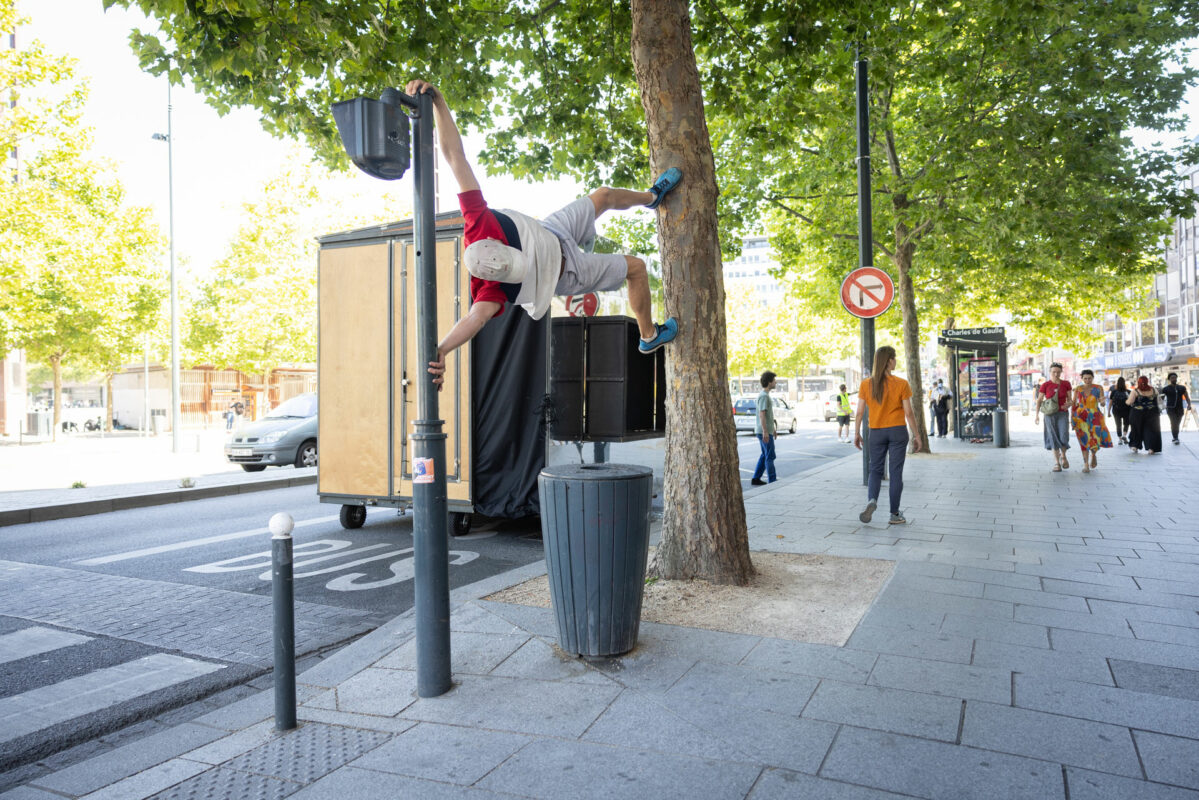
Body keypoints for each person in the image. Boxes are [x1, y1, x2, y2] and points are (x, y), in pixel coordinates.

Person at [404, 80, 682, 389]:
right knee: (636, 268)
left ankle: (651, 197)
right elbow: (474, 319)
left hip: (552, 232)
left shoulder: (478, 219)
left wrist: (440, 102)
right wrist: (443, 349)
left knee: (603, 195)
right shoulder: (488, 289)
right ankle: (648, 336)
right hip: (567, 272)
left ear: (493, 241)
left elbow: (454, 156)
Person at [854, 346, 922, 525]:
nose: (896, 361)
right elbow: (909, 413)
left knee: (875, 470)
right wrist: (917, 435)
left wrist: (856, 433)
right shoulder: (901, 384)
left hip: (876, 432)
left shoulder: (866, 384)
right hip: (897, 431)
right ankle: (894, 514)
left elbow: (859, 412)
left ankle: (872, 500)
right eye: (895, 358)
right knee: (895, 473)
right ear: (889, 361)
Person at [1070, 369, 1112, 473]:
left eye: (1089, 378)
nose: (1087, 380)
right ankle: (1086, 464)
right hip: (1080, 418)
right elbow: (1074, 403)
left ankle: (1093, 454)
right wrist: (1072, 419)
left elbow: (1102, 404)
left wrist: (1102, 402)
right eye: (1085, 378)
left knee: (1095, 439)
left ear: (1093, 378)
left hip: (1095, 417)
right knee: (1083, 440)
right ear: (1082, 378)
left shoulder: (1098, 388)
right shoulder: (1078, 389)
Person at [1034, 362, 1072, 472]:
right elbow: (1039, 400)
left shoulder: (1066, 384)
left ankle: (1063, 456)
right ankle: (1057, 463)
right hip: (1049, 414)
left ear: (1061, 372)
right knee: (1052, 436)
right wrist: (1037, 415)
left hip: (1062, 413)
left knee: (1064, 436)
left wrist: (1068, 404)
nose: (1056, 374)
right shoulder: (1045, 385)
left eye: (1058, 372)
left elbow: (1070, 400)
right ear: (1050, 372)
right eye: (1054, 372)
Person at [751, 371, 778, 486]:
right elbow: (762, 414)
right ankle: (772, 481)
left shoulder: (765, 395)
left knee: (764, 454)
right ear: (769, 382)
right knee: (770, 456)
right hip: (763, 431)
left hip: (766, 430)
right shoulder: (764, 396)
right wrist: (765, 432)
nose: (776, 382)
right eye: (774, 380)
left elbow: (768, 416)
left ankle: (756, 478)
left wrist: (773, 429)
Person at [1127, 375, 1162, 454]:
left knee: (1136, 429)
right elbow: (1158, 400)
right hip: (1152, 413)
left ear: (1138, 382)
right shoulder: (1154, 390)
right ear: (1147, 381)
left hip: (1137, 413)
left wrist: (1126, 401)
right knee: (1151, 430)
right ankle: (1151, 448)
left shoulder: (1135, 391)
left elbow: (1129, 402)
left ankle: (1135, 446)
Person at [1161, 372, 1192, 445]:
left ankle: (1175, 436)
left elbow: (1187, 397)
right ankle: (1175, 437)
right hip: (1170, 408)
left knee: (1177, 423)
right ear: (1169, 379)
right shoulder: (1165, 389)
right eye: (1172, 378)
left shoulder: (1181, 388)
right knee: (1173, 422)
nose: (1174, 379)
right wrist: (1160, 407)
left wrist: (1189, 404)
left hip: (1180, 408)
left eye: (1175, 378)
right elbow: (1161, 399)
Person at [1107, 377, 1130, 445]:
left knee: (1118, 425)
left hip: (1116, 410)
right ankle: (1124, 435)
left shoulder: (1114, 392)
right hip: (1126, 410)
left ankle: (1120, 439)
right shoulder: (1128, 392)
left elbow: (1110, 402)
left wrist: (1108, 412)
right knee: (1126, 423)